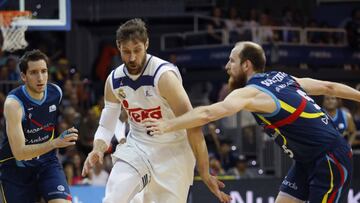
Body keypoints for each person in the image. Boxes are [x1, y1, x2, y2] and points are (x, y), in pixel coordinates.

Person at [144, 41, 360, 203]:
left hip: (329, 159)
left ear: (246, 65)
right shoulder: (283, 77)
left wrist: (168, 125)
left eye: (232, 60)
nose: (227, 66)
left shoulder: (252, 93)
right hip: (306, 160)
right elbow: (329, 87)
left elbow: (208, 114)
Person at [81, 18, 230, 203]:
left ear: (147, 44)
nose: (132, 57)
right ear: (118, 47)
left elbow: (194, 123)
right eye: (126, 52)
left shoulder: (163, 77)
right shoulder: (114, 80)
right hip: (138, 146)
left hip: (174, 151)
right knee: (114, 198)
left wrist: (205, 172)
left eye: (137, 50)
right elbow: (107, 122)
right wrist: (98, 148)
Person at [0, 49, 79, 203]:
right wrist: (56, 142)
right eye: (34, 72)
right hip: (16, 168)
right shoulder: (14, 104)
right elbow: (20, 153)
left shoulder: (56, 92)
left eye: (44, 71)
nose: (40, 77)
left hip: (46, 163)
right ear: (23, 76)